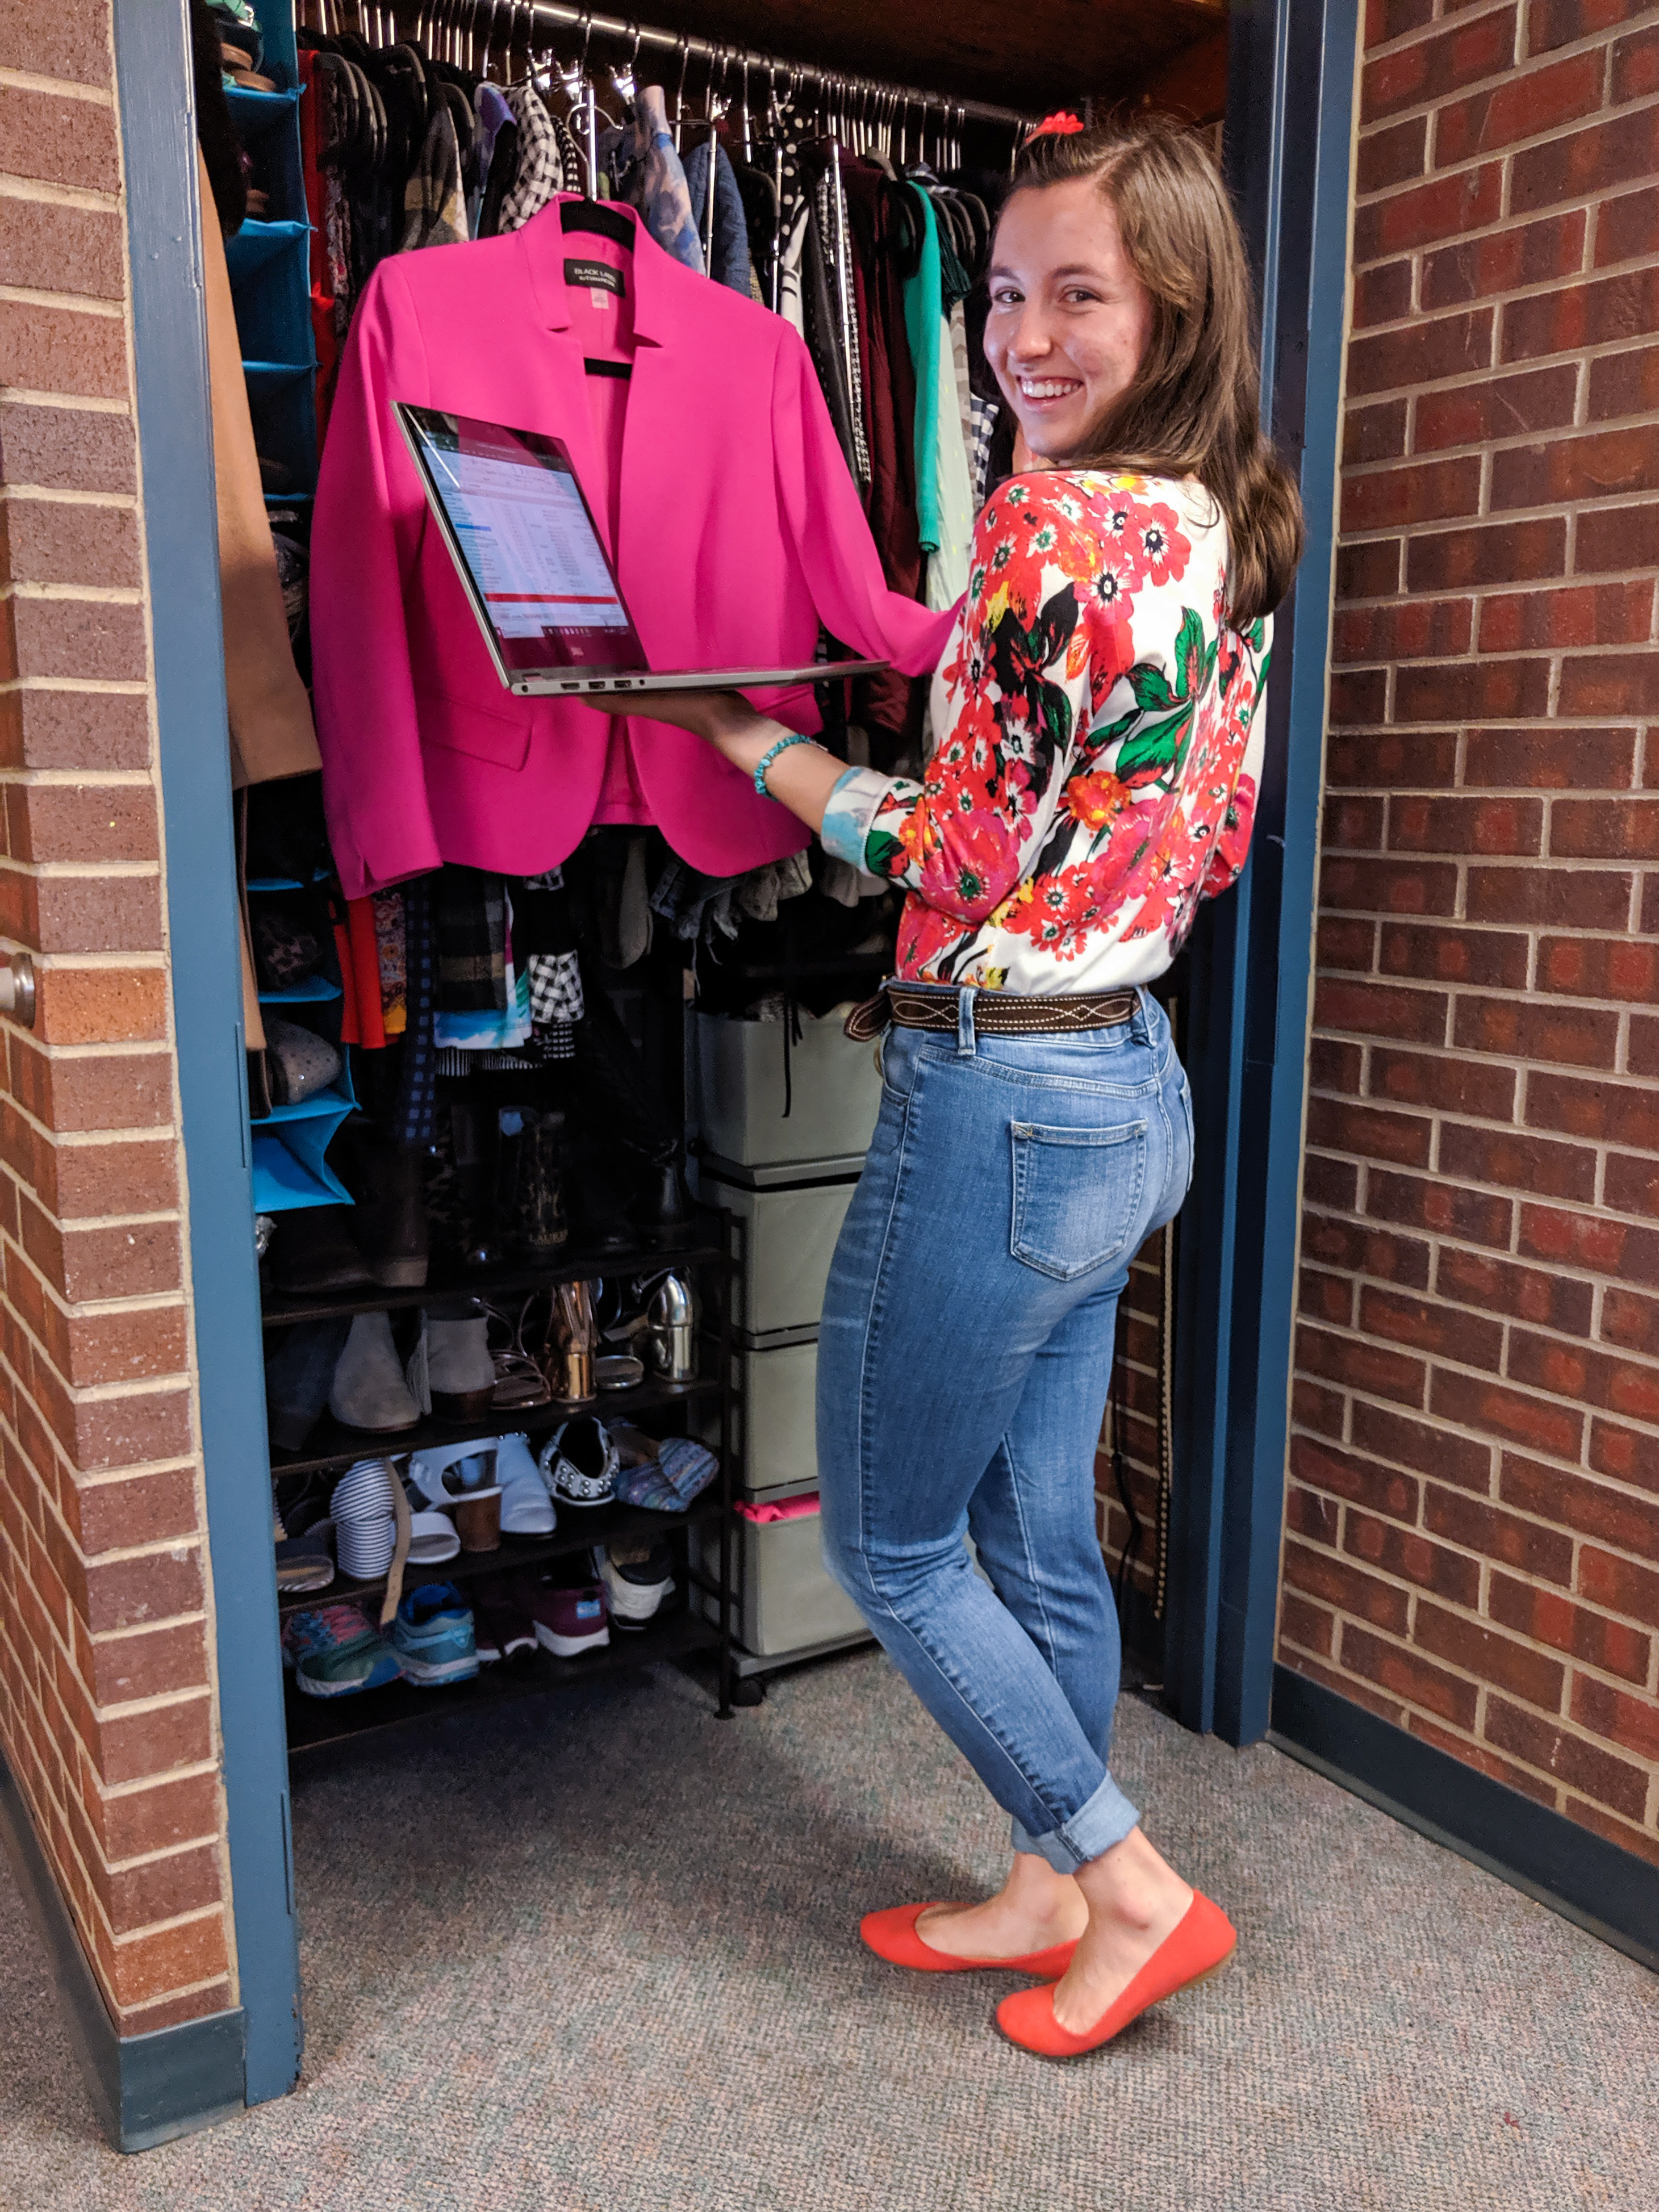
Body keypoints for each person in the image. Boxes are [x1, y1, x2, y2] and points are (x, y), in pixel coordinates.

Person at [646, 111, 1303, 2058]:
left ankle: (1126, 1888)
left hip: (1003, 1103)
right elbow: (1168, 809)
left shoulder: (1044, 526)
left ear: (1168, 303)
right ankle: (1042, 1868)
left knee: (891, 1540)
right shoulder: (1215, 515)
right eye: (1003, 294)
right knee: (1030, 1533)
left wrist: (743, 739)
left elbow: (952, 845)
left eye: (1071, 296)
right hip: (1126, 1088)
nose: (1018, 334)